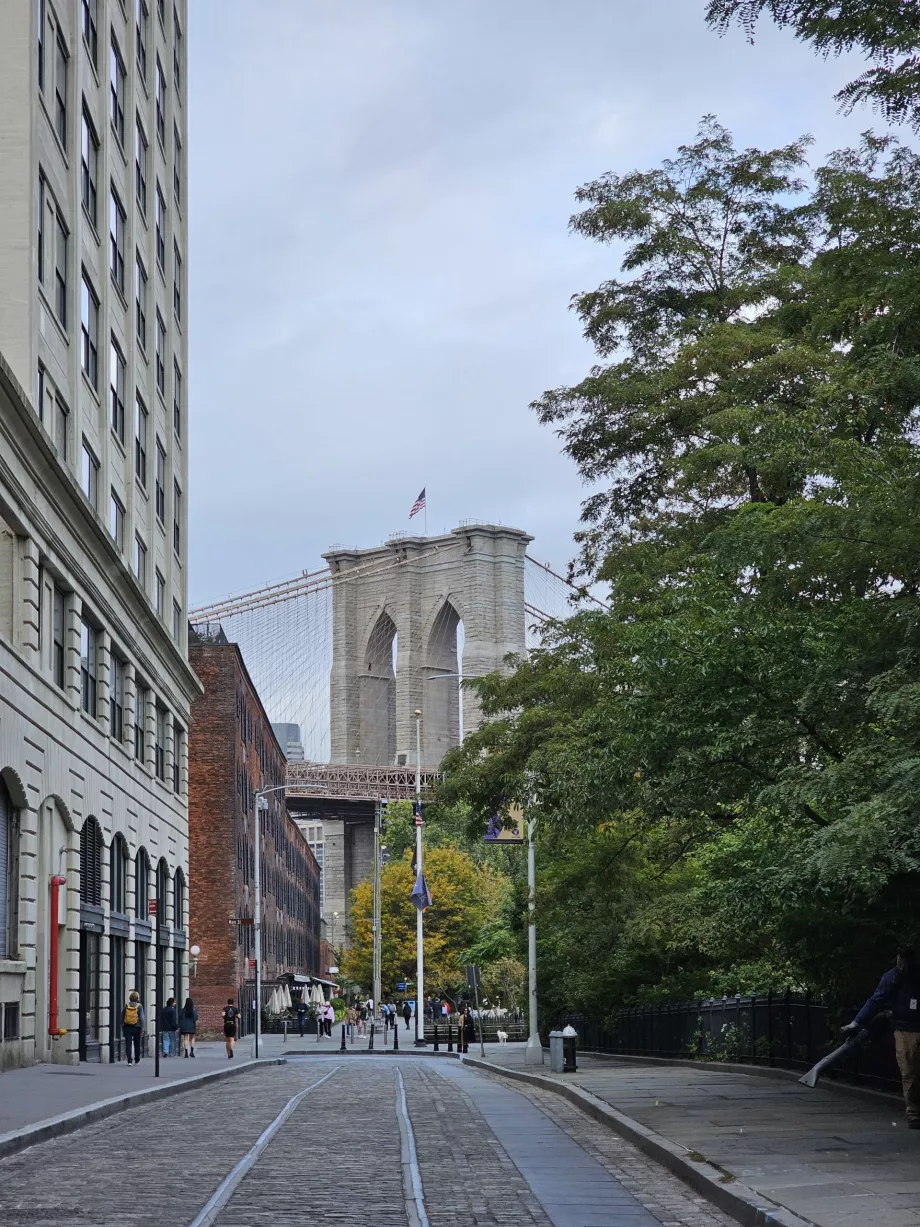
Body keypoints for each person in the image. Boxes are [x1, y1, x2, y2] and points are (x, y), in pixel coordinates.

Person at [845, 947, 920, 1128]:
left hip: (906, 1026)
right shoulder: (894, 977)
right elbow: (876, 999)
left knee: (910, 1072)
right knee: (910, 1072)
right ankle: (914, 1113)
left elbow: (876, 999)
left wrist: (856, 1022)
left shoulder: (895, 976)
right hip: (905, 1028)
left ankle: (914, 1113)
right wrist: (857, 1022)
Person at [122, 991, 145, 1066]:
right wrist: (142, 1029)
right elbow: (142, 1018)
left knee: (128, 1044)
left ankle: (129, 1061)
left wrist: (122, 1025)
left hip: (127, 1027)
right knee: (137, 1044)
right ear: (137, 998)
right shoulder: (139, 1006)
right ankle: (137, 1060)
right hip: (136, 1027)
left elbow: (122, 1015)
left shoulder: (127, 1005)